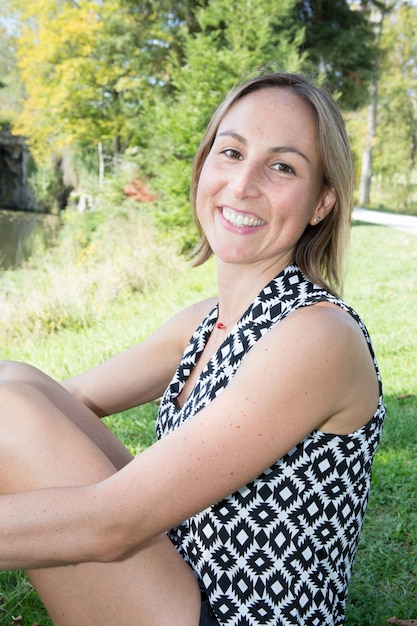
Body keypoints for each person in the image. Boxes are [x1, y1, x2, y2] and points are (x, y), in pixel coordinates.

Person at [0, 72, 385, 626]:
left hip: (231, 616)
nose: (243, 184)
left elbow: (112, 524)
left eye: (282, 166)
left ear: (321, 202)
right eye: (231, 153)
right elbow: (69, 398)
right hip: (183, 577)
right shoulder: (207, 322)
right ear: (205, 164)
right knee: (15, 382)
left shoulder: (317, 335)